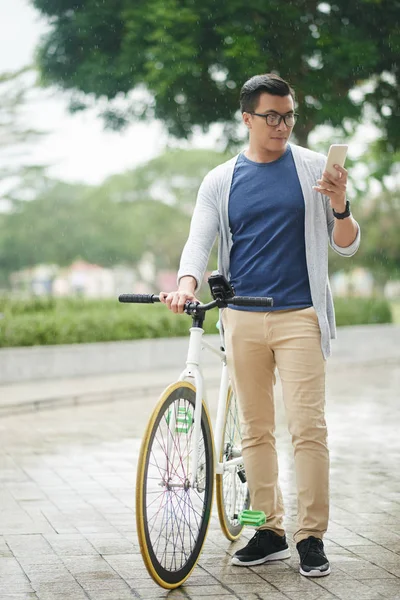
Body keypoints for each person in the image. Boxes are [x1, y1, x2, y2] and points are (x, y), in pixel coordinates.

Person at [160, 73, 360, 578]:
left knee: (308, 428)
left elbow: (347, 244)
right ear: (246, 118)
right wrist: (186, 285)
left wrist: (340, 204)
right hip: (241, 317)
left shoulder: (314, 168)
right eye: (271, 116)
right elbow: (197, 242)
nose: (282, 124)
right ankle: (268, 529)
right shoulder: (221, 180)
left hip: (299, 315)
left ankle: (310, 536)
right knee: (255, 430)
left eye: (289, 115)